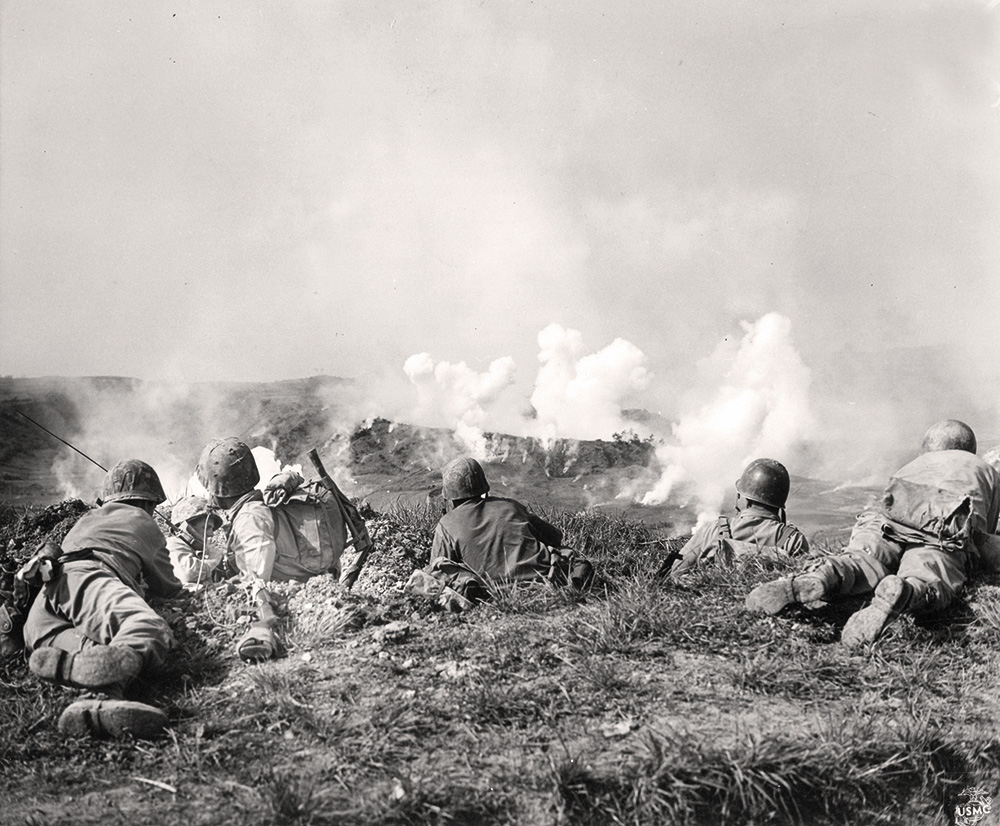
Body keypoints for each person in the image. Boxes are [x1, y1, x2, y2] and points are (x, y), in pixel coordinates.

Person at [746, 420, 1000, 647]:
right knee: (930, 571)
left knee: (861, 559)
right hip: (943, 526)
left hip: (886, 520)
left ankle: (821, 576)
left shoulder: (914, 465)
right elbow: (983, 531)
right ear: (970, 447)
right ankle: (907, 590)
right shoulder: (985, 470)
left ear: (929, 447)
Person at [23, 459, 182, 738]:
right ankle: (102, 681)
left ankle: (97, 702)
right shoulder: (143, 520)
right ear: (147, 503)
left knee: (108, 654)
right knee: (147, 630)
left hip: (41, 616)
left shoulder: (86, 520)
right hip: (88, 580)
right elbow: (167, 587)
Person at [195, 437, 372, 659]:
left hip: (298, 599)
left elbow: (255, 581)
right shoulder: (257, 508)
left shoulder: (250, 519)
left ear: (216, 487)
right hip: (317, 582)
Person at [425, 456, 593, 599]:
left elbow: (437, 567)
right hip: (545, 580)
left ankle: (475, 592)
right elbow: (555, 537)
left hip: (493, 590)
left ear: (449, 496)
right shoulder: (511, 506)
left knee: (437, 567)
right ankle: (575, 587)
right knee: (571, 557)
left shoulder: (446, 524)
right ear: (483, 486)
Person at [664, 458, 809, 577]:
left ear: (745, 499)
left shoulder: (713, 530)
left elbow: (676, 572)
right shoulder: (793, 540)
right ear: (779, 504)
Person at [167, 495, 225, 587]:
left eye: (212, 529)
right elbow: (187, 574)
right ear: (187, 528)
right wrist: (212, 561)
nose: (211, 534)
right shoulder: (172, 545)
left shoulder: (199, 551)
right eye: (206, 527)